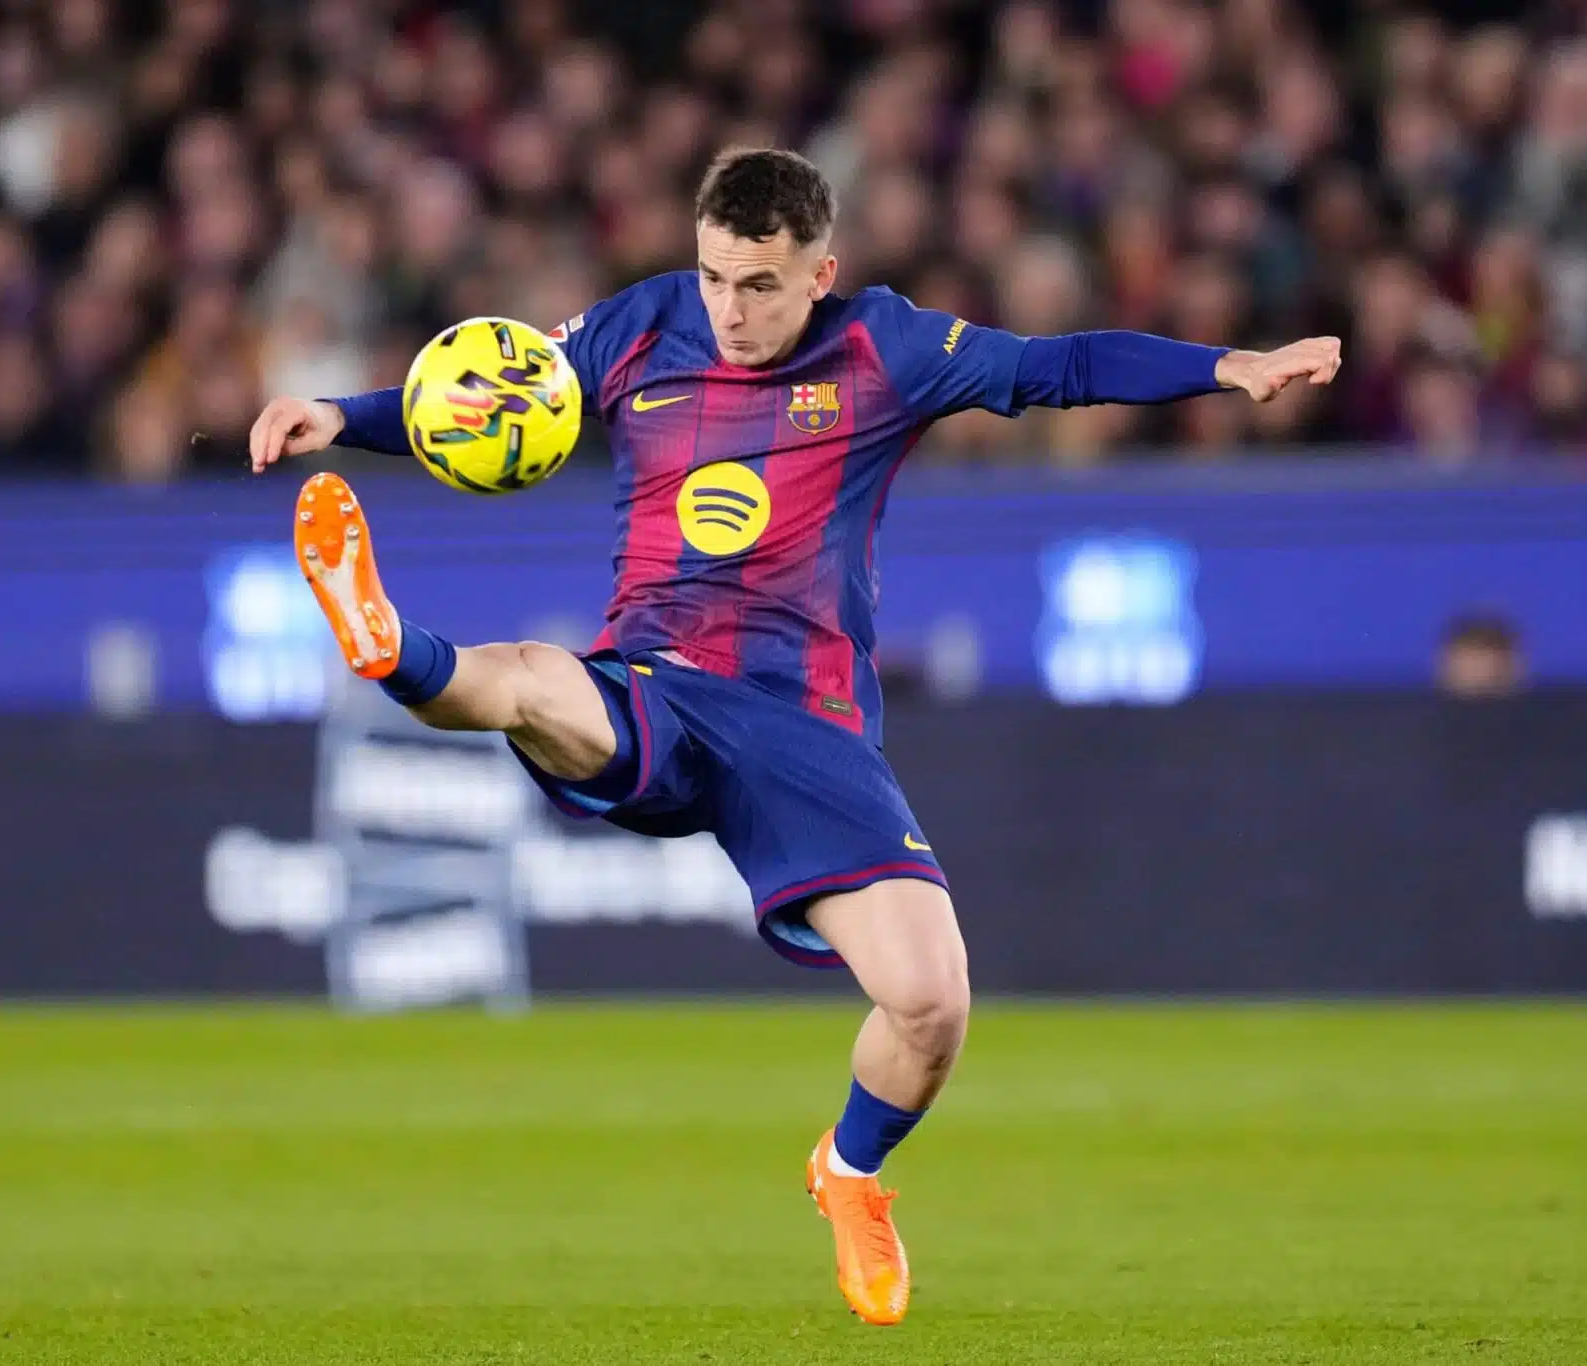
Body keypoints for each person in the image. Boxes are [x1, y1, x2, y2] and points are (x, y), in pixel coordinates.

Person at [248, 148, 1341, 1326]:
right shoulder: (640, 323)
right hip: (655, 680)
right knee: (527, 681)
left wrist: (1229, 366)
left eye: (760, 285)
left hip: (801, 723)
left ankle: (849, 1171)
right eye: (715, 278)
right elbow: (489, 397)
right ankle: (389, 647)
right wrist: (342, 416)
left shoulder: (884, 347)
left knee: (930, 1003)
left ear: (819, 273)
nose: (730, 309)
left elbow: (1057, 366)